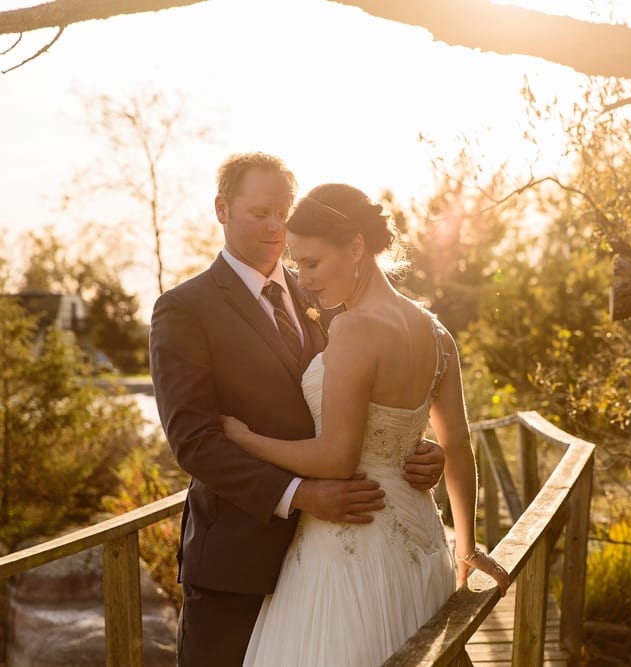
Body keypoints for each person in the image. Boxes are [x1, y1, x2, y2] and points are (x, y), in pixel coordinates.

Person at [149, 152, 446, 666]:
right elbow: (195, 442)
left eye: (283, 211)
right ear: (222, 209)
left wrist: (419, 449)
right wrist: (298, 495)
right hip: (238, 562)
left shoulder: (327, 295)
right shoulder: (184, 308)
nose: (275, 226)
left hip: (337, 558)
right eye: (260, 211)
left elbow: (367, 402)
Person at [219, 183, 510, 666]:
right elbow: (456, 445)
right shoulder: (436, 333)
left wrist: (246, 439)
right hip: (422, 538)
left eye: (312, 262)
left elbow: (336, 458)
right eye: (297, 263)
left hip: (352, 542)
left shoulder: (353, 328)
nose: (303, 277)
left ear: (355, 247)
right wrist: (469, 545)